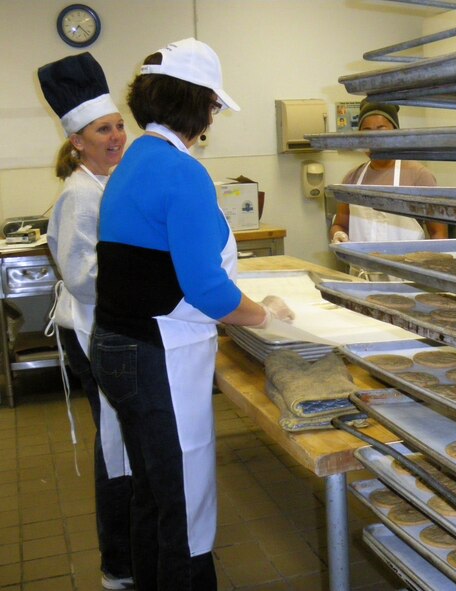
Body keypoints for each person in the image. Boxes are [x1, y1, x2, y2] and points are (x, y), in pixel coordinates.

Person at [89, 38, 294, 591]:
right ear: (197, 103)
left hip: (118, 345)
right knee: (183, 498)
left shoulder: (137, 159)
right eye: (214, 104)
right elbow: (206, 288)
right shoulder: (181, 172)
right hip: (159, 354)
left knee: (153, 490)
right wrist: (267, 316)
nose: (214, 115)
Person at [37, 53, 133, 591]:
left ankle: (126, 555)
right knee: (116, 447)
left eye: (119, 124)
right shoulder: (78, 194)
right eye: (103, 129)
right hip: (93, 332)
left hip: (109, 328)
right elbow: (83, 277)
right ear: (78, 141)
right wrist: (148, 275)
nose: (116, 135)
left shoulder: (108, 183)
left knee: (122, 444)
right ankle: (119, 565)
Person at [329, 99, 447, 278]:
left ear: (396, 133)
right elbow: (340, 224)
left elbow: (439, 233)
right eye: (366, 131)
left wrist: (430, 271)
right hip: (361, 279)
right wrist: (338, 234)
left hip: (407, 279)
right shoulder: (352, 178)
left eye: (381, 130)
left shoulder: (418, 175)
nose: (374, 138)